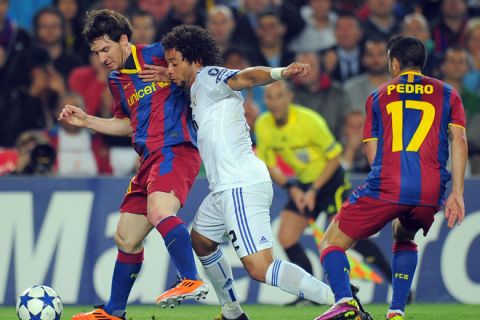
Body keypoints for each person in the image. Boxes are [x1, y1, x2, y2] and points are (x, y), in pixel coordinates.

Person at [159, 25, 341, 320]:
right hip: (224, 188)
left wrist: (280, 73)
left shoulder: (208, 77)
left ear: (195, 60)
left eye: (173, 62)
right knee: (202, 240)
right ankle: (232, 313)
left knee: (260, 267)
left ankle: (341, 300)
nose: (169, 70)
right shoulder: (194, 89)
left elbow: (244, 76)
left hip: (239, 184)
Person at [58, 9, 207, 320]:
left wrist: (171, 74)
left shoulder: (159, 55)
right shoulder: (116, 81)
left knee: (159, 210)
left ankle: (190, 278)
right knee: (126, 236)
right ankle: (114, 311)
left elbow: (207, 71)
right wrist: (87, 121)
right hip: (148, 158)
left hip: (176, 148)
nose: (102, 58)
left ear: (124, 40)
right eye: (96, 52)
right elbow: (127, 124)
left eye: (106, 49)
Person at [314, 36, 468, 320]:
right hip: (430, 190)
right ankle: (396, 311)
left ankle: (345, 302)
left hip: (388, 184)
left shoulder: (377, 95)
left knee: (330, 242)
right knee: (404, 234)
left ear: (395, 63)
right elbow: (459, 140)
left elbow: (373, 152)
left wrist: (381, 192)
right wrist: (457, 192)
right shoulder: (449, 93)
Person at [255, 82, 391, 307]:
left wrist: (314, 190)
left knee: (344, 237)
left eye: (279, 96)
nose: (274, 102)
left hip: (330, 182)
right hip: (304, 184)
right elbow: (271, 164)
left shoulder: (310, 121)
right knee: (286, 237)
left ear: (289, 97)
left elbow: (334, 158)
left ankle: (395, 282)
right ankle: (311, 294)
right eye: (269, 97)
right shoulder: (263, 125)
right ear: (265, 100)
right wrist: (293, 189)